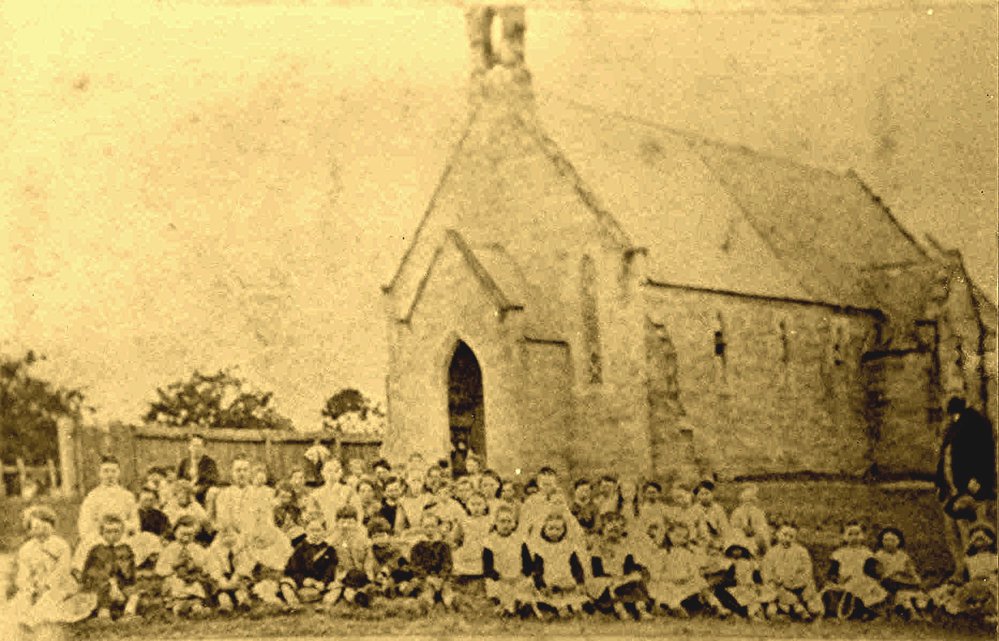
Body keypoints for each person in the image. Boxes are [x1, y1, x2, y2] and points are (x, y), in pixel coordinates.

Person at [935, 396, 997, 577]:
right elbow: (944, 457)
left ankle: (980, 571)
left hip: (970, 486)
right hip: (950, 487)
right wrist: (940, 483)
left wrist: (980, 478)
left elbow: (986, 451)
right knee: (952, 531)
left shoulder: (976, 421)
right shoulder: (950, 425)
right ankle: (960, 568)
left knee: (975, 530)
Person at [10, 506, 95, 628]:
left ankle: (32, 621)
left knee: (50, 597)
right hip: (36, 583)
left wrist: (47, 585)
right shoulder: (26, 549)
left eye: (46, 526)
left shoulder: (61, 545)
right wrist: (29, 586)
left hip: (61, 583)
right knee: (23, 598)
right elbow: (23, 572)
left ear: (53, 527)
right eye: (36, 527)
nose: (42, 531)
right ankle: (19, 623)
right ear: (30, 530)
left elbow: (62, 569)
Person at [930, 523, 998, 621]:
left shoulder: (994, 558)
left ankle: (990, 613)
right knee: (962, 592)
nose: (979, 542)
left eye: (982, 538)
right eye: (976, 539)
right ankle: (959, 611)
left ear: (991, 540)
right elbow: (962, 576)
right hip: (973, 584)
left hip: (990, 583)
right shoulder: (969, 560)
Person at [587, 512, 649, 620]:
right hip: (604, 578)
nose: (614, 534)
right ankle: (620, 609)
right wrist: (612, 578)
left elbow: (629, 566)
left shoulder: (624, 547)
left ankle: (641, 609)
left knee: (634, 582)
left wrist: (627, 576)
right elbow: (596, 570)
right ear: (603, 530)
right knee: (607, 587)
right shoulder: (598, 547)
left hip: (621, 579)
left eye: (617, 531)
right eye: (610, 530)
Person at [528, 511, 589, 618]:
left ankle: (576, 608)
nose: (554, 532)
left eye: (558, 529)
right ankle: (561, 608)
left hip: (566, 578)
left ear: (564, 530)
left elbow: (576, 566)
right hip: (549, 580)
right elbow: (537, 570)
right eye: (551, 528)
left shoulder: (568, 546)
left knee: (573, 594)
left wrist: (580, 582)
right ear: (544, 529)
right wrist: (541, 585)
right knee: (552, 595)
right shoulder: (541, 547)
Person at [81, 514, 141, 620]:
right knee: (103, 591)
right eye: (108, 532)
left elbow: (130, 573)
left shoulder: (125, 549)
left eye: (116, 531)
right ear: (102, 533)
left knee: (134, 593)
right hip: (101, 585)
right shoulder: (97, 550)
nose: (112, 535)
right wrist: (112, 584)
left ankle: (128, 614)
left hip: (120, 584)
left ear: (122, 532)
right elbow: (93, 572)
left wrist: (124, 586)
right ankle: (104, 615)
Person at [824, 521, 888, 619]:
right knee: (830, 593)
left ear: (862, 536)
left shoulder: (866, 553)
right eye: (850, 534)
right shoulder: (839, 553)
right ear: (844, 537)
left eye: (857, 534)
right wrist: (837, 579)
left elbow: (872, 571)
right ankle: (850, 612)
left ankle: (866, 611)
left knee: (867, 591)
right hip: (844, 581)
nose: (854, 538)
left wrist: (872, 577)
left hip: (862, 581)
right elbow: (832, 572)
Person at [760, 521, 822, 620]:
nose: (787, 539)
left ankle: (805, 608)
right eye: (784, 535)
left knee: (809, 589)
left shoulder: (801, 551)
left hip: (797, 584)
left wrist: (797, 581)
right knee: (774, 592)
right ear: (777, 534)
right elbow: (766, 571)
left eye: (791, 536)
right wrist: (774, 579)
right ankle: (794, 609)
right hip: (778, 585)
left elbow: (807, 569)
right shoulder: (771, 553)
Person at [482, 503, 534, 616]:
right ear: (495, 523)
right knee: (496, 588)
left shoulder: (520, 540)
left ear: (514, 523)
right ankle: (508, 607)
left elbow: (528, 564)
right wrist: (501, 577)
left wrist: (521, 575)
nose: (506, 525)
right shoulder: (489, 541)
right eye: (502, 521)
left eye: (509, 521)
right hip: (499, 578)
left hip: (518, 577)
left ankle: (520, 604)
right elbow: (487, 568)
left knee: (526, 585)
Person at [155, 516, 213, 617]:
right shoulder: (169, 549)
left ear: (195, 534)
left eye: (190, 535)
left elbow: (207, 567)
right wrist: (173, 568)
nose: (186, 538)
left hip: (192, 581)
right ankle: (179, 608)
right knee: (175, 588)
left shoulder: (197, 549)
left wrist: (198, 567)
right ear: (175, 532)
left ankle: (196, 608)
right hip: (175, 580)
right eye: (183, 534)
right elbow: (159, 570)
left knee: (196, 593)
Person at [77, 456, 140, 548]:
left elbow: (135, 522)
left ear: (119, 473)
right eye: (106, 471)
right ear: (100, 474)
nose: (110, 475)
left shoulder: (127, 496)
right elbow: (85, 523)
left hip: (123, 538)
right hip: (98, 540)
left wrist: (124, 528)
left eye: (113, 471)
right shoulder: (92, 497)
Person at [280, 514, 339, 609]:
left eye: (318, 530)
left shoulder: (329, 549)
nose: (315, 533)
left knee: (337, 586)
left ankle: (326, 604)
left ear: (324, 532)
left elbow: (331, 569)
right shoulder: (300, 548)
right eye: (312, 530)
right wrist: (303, 580)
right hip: (301, 584)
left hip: (320, 585)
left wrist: (323, 582)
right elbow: (292, 570)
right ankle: (293, 604)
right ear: (307, 531)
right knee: (285, 583)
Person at [872, 527, 929, 620]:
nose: (889, 543)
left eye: (892, 540)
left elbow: (912, 572)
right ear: (881, 541)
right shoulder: (879, 555)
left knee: (915, 593)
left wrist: (915, 579)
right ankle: (911, 613)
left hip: (903, 582)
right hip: (887, 583)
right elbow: (877, 574)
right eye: (886, 540)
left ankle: (922, 612)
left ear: (899, 541)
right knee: (899, 592)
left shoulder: (903, 556)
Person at [327, 506, 375, 607]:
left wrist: (368, 575)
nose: (346, 526)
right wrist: (337, 578)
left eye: (350, 522)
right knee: (336, 592)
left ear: (356, 523)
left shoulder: (363, 540)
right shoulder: (332, 541)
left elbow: (369, 560)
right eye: (342, 522)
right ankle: (351, 597)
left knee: (360, 586)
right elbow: (332, 564)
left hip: (360, 575)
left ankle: (358, 596)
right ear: (337, 523)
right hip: (341, 576)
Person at [714, 540, 773, 620]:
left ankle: (751, 613)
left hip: (749, 589)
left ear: (743, 550)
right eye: (733, 550)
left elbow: (758, 579)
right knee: (720, 592)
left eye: (738, 549)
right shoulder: (732, 564)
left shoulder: (752, 563)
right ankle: (740, 612)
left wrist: (755, 585)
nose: (736, 552)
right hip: (738, 589)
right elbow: (728, 579)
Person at [409, 512, 456, 610]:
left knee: (447, 592)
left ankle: (450, 605)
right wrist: (428, 578)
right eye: (426, 527)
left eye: (432, 526)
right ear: (421, 528)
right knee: (427, 592)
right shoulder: (417, 547)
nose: (429, 530)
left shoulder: (444, 546)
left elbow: (447, 564)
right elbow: (415, 566)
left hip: (441, 578)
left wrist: (441, 578)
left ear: (438, 527)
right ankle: (427, 605)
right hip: (425, 578)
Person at [206, 525, 255, 612]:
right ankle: (225, 605)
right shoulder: (215, 549)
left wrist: (236, 576)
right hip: (222, 578)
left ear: (238, 536)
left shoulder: (242, 548)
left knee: (241, 589)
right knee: (222, 592)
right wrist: (221, 579)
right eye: (223, 535)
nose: (227, 538)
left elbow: (245, 564)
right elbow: (213, 566)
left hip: (239, 577)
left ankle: (243, 602)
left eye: (231, 535)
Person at [309, 459, 363, 529]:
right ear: (322, 472)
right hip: (324, 531)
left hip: (345, 529)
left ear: (341, 473)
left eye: (336, 470)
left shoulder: (349, 491)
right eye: (329, 470)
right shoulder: (315, 494)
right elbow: (311, 514)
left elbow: (358, 512)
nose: (332, 474)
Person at [453, 492, 491, 579]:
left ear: (485, 505)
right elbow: (456, 539)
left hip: (484, 553)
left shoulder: (489, 521)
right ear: (467, 506)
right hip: (468, 552)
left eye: (479, 504)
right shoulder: (463, 521)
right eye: (473, 504)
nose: (476, 507)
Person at [177, 435, 220, 506]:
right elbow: (178, 478)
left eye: (199, 446)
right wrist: (183, 483)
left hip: (202, 493)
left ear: (204, 448)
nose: (196, 449)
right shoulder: (184, 462)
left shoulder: (209, 463)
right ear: (189, 447)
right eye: (194, 446)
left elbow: (212, 481)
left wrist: (197, 489)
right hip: (185, 492)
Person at [729, 485, 770, 557]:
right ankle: (745, 552)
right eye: (745, 501)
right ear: (741, 501)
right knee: (737, 535)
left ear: (754, 501)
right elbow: (733, 526)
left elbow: (763, 526)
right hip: (742, 536)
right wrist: (743, 528)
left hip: (755, 536)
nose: (748, 504)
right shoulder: (737, 512)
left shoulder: (758, 512)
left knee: (763, 535)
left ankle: (758, 552)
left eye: (750, 501)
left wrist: (755, 530)